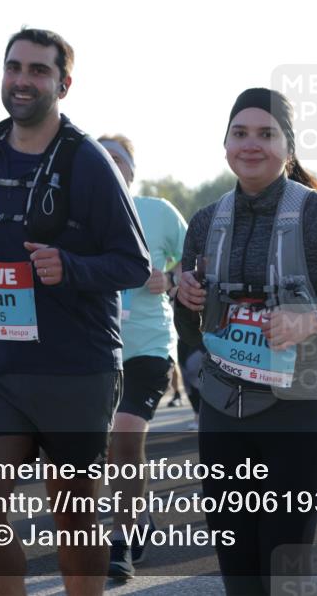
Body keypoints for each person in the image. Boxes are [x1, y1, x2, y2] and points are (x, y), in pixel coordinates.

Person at [0, 28, 151, 596]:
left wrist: (70, 267)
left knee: (74, 518)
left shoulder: (89, 163)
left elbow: (132, 263)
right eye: (14, 68)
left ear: (63, 83)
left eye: (37, 71)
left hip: (74, 368)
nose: (22, 80)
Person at [173, 88, 317, 595]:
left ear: (288, 147)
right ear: (225, 143)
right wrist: (185, 300)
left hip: (298, 407)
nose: (252, 144)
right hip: (224, 408)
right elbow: (190, 333)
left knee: (280, 570)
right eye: (240, 133)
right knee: (240, 574)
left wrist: (311, 320)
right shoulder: (205, 222)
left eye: (266, 134)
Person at [98, 134, 188, 580]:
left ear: (131, 170)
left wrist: (170, 278)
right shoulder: (78, 218)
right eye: (100, 159)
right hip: (95, 349)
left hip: (149, 346)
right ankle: (138, 513)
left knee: (126, 436)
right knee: (109, 448)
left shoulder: (157, 213)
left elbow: (200, 260)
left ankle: (121, 541)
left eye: (117, 159)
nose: (109, 166)